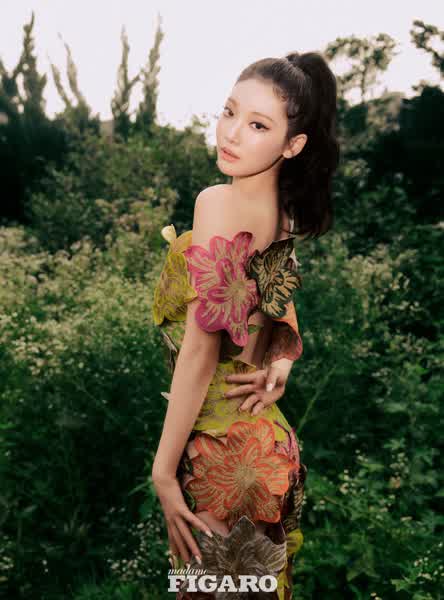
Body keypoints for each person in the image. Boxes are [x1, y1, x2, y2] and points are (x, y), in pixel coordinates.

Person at [151, 51, 340, 599]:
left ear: (292, 145)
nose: (231, 133)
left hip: (221, 455)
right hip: (267, 446)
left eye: (258, 125)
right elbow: (280, 302)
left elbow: (199, 351)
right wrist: (279, 366)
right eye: (229, 112)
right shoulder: (282, 213)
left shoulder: (218, 201)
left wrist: (162, 473)